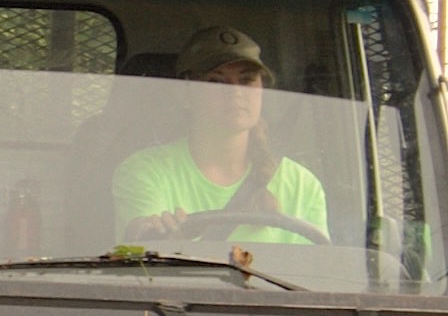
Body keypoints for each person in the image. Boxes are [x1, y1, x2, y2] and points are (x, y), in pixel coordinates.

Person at [112, 26, 330, 245]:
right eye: (216, 82)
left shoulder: (303, 185)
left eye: (246, 81)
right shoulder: (145, 171)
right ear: (185, 94)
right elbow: (139, 251)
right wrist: (160, 240)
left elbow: (315, 274)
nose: (235, 92)